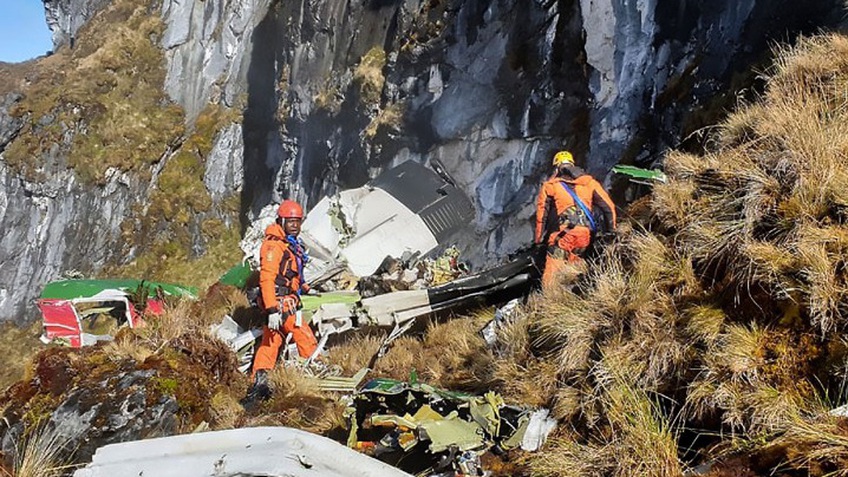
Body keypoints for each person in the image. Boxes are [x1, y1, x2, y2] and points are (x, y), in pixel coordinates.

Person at [246, 199, 318, 401]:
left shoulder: (288, 245)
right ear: (282, 221)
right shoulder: (273, 246)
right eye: (291, 221)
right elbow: (267, 278)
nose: (295, 225)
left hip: (284, 300)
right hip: (279, 304)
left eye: (298, 221)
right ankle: (314, 371)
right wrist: (272, 309)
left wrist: (304, 288)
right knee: (303, 334)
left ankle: (259, 381)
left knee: (271, 342)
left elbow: (291, 274)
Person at [534, 150, 616, 289]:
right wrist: (611, 231)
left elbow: (541, 216)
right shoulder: (590, 183)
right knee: (576, 273)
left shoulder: (550, 186)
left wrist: (538, 241)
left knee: (551, 279)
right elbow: (609, 208)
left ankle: (549, 302)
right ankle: (575, 301)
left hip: (561, 237)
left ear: (557, 167)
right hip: (584, 237)